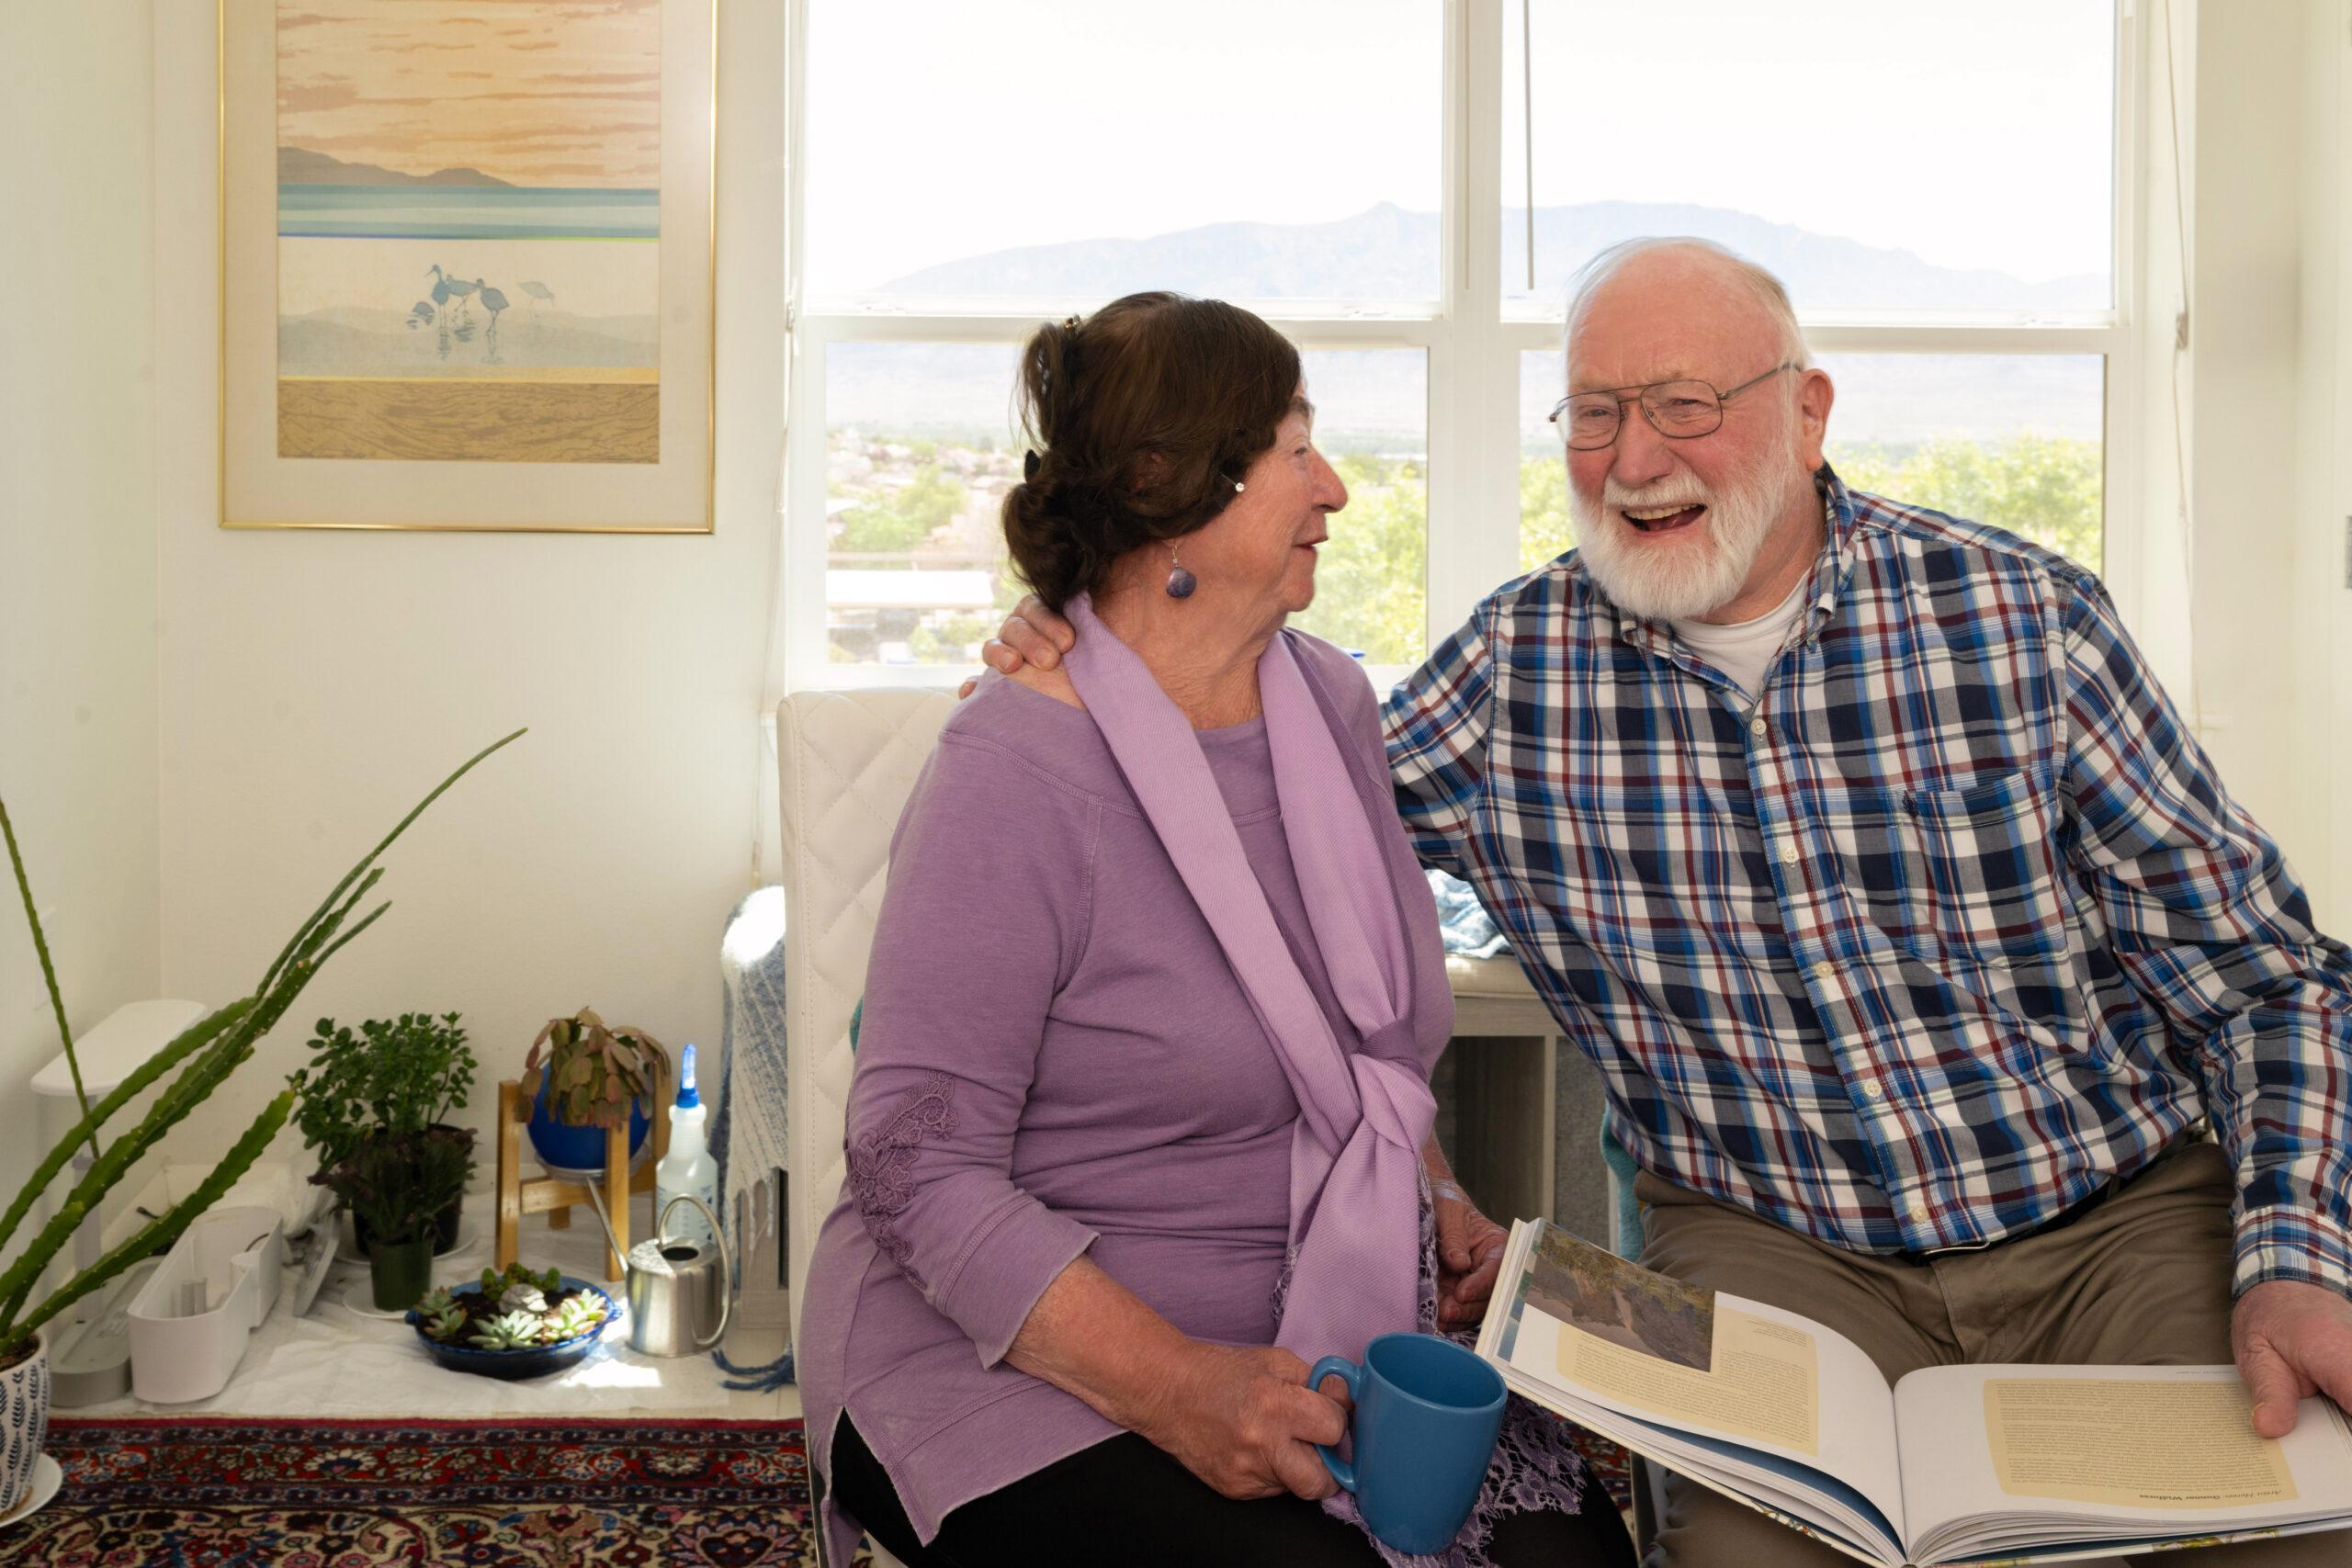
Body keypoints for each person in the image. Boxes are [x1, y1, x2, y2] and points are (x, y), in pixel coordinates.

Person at [978, 240, 2352, 1567]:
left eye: (1686, 405)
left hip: (2111, 1222)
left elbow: (2270, 979)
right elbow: (1254, 843)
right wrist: (1087, 654)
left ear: (1807, 414)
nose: (1635, 462)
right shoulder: (1516, 673)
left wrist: (2296, 1252)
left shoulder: (2020, 620)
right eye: (1594, 414)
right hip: (1760, 1250)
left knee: (2291, 1533)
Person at [798, 291, 1634, 1568]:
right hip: (1032, 1349)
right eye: (1298, 449)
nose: (1338, 489)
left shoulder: (1335, 703)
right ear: (1171, 486)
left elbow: (1340, 1043)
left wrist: (1438, 1193)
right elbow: (913, 1164)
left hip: (1316, 1320)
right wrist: (1181, 1387)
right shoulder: (1012, 770)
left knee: (1577, 1560)